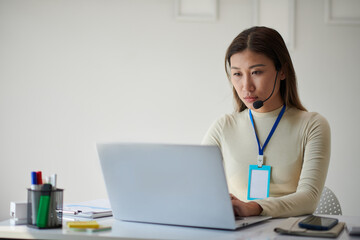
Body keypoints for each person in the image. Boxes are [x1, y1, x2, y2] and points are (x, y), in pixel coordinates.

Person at [202, 26, 330, 218]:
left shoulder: (312, 125)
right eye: (237, 74)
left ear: (282, 71)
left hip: (288, 232)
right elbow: (195, 187)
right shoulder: (223, 127)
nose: (246, 87)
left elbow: (309, 198)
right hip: (239, 232)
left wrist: (254, 208)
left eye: (256, 72)